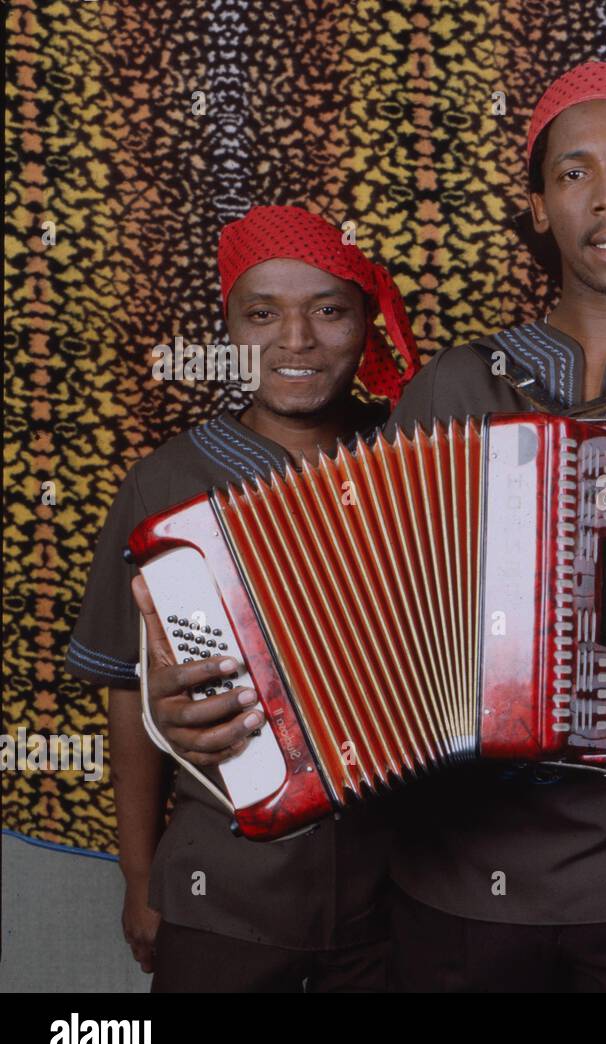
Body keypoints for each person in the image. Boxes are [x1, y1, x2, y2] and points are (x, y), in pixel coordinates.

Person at [138, 61, 606, 992]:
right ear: (542, 209)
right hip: (455, 893)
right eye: (575, 172)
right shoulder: (454, 388)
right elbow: (340, 614)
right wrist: (198, 704)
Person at [68, 205, 419, 991]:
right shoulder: (164, 482)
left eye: (329, 310)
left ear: (367, 319)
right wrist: (137, 876)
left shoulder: (413, 457)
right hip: (225, 888)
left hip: (400, 893)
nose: (296, 341)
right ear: (228, 327)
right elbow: (130, 695)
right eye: (263, 314)